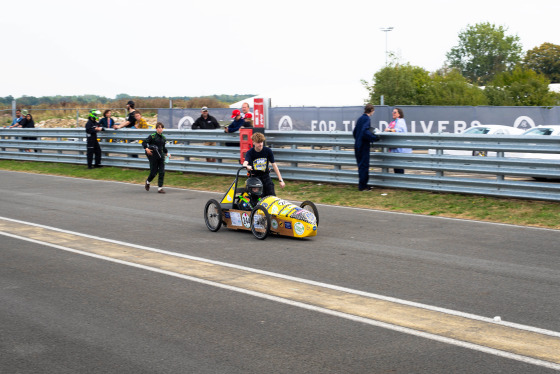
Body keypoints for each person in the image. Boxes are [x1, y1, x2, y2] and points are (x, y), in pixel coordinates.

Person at [242, 132, 285, 197]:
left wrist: (280, 180)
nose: (260, 144)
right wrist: (247, 166)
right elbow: (245, 163)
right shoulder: (250, 152)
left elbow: (274, 165)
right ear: (253, 142)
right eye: (258, 142)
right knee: (258, 196)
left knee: (271, 195)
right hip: (254, 177)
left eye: (261, 142)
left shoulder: (268, 151)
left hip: (265, 176)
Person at [353, 104, 379, 191]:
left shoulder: (360, 118)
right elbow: (365, 132)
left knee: (361, 166)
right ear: (371, 110)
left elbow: (355, 132)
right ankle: (363, 186)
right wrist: (374, 138)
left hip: (357, 145)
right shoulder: (367, 119)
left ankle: (362, 185)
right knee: (364, 166)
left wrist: (358, 140)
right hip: (363, 146)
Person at [143, 122, 169, 194]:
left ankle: (160, 188)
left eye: (161, 128)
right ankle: (148, 181)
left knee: (162, 171)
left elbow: (163, 147)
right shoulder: (153, 136)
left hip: (161, 156)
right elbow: (144, 142)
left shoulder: (163, 138)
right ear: (156, 128)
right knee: (154, 172)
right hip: (153, 156)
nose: (160, 129)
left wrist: (167, 153)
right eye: (159, 127)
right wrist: (146, 149)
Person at [385, 107, 412, 174]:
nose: (393, 113)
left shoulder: (400, 121)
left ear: (399, 114)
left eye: (395, 112)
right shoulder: (393, 122)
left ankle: (400, 181)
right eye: (393, 112)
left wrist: (389, 130)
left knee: (399, 167)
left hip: (399, 149)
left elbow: (397, 130)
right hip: (394, 148)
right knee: (396, 167)